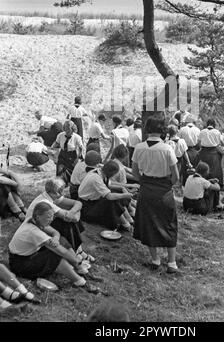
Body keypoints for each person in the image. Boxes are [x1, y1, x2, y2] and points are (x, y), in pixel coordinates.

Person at [131, 116, 180, 274]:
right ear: (162, 130)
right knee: (169, 223)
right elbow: (176, 176)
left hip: (146, 188)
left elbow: (135, 173)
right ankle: (172, 263)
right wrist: (167, 185)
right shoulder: (167, 148)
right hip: (164, 188)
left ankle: (155, 259)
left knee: (148, 223)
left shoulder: (139, 147)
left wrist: (144, 182)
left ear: (147, 129)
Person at [9, 202, 90, 288]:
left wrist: (55, 238)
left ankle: (78, 268)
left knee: (61, 240)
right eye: (48, 217)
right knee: (55, 254)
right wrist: (76, 260)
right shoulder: (34, 231)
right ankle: (78, 280)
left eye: (52, 216)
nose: (51, 219)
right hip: (20, 265)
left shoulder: (34, 220)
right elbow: (61, 251)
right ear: (38, 217)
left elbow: (55, 232)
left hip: (27, 255)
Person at [25, 178, 94, 263]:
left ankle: (78, 251)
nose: (63, 193)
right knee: (67, 223)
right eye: (61, 190)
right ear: (55, 192)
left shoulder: (49, 195)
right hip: (36, 230)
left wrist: (72, 211)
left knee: (69, 220)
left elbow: (78, 203)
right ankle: (76, 253)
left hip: (43, 224)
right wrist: (74, 213)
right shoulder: (46, 202)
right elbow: (74, 218)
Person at [78, 151, 133, 230]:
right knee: (112, 201)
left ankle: (128, 220)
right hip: (86, 208)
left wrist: (123, 188)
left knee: (116, 195)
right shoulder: (95, 178)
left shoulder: (101, 172)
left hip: (93, 202)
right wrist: (126, 195)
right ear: (111, 173)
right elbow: (110, 196)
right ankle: (125, 224)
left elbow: (110, 184)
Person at [52, 120, 85, 184]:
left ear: (73, 129)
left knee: (71, 172)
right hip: (62, 154)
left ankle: (70, 184)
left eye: (68, 130)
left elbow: (81, 148)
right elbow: (55, 144)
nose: (67, 132)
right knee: (59, 171)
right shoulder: (60, 135)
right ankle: (59, 185)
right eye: (65, 130)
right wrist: (52, 151)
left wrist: (77, 158)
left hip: (72, 155)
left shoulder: (77, 137)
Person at [196, 119, 224, 188]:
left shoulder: (202, 131)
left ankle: (203, 183)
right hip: (214, 153)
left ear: (207, 124)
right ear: (214, 125)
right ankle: (217, 184)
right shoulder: (217, 132)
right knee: (216, 169)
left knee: (203, 168)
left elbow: (198, 143)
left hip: (204, 153)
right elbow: (220, 144)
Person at [178, 117, 200, 184]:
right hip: (195, 150)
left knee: (185, 168)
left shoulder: (182, 129)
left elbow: (179, 140)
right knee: (195, 168)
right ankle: (194, 183)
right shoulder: (197, 130)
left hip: (185, 151)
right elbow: (199, 142)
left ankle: (185, 183)